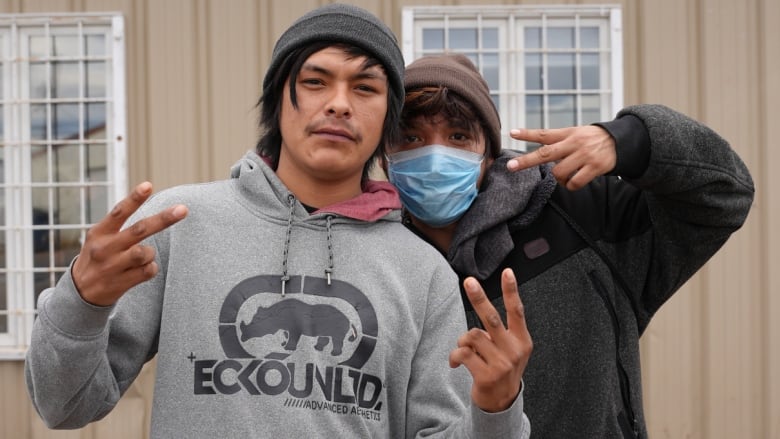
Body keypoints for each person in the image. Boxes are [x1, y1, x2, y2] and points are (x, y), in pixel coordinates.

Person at [24, 6, 533, 438]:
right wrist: (81, 302)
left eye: (365, 88)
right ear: (276, 100)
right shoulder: (177, 224)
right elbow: (63, 405)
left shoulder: (424, 275)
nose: (338, 103)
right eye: (314, 81)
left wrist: (495, 410)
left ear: (387, 118)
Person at [384, 53, 754, 439]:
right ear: (385, 155)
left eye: (458, 137)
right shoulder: (375, 259)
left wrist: (630, 140)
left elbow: (724, 196)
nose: (435, 155)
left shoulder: (585, 212)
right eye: (411, 137)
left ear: (488, 154)